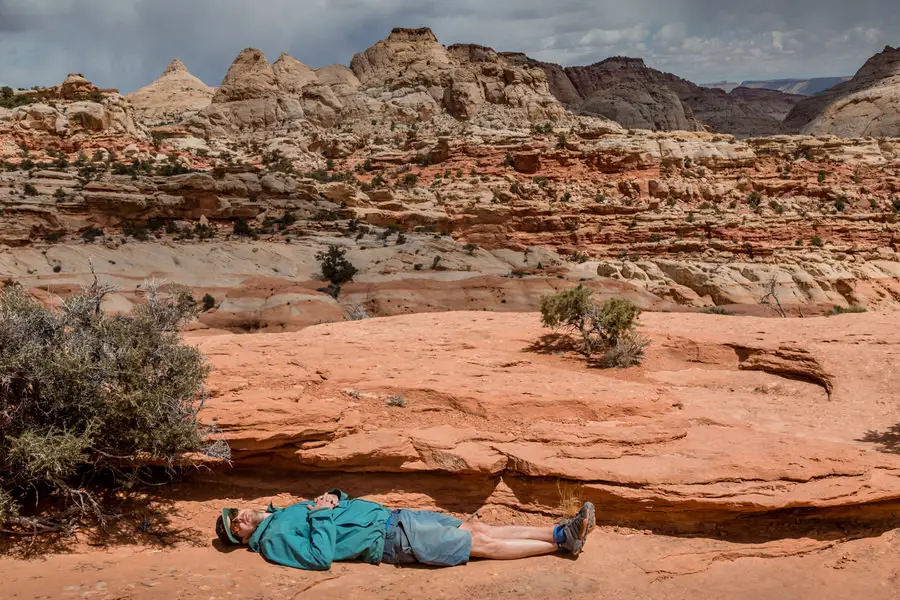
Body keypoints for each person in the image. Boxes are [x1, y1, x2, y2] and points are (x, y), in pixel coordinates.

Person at [216, 489, 595, 570]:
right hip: (392, 540)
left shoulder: (281, 511)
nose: (240, 519)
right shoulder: (273, 542)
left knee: (476, 525)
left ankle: (560, 531)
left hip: (394, 517)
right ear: (243, 538)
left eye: (236, 513)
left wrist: (333, 496)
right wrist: (319, 514)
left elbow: (333, 505)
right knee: (476, 542)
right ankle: (562, 542)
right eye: (236, 528)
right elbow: (318, 558)